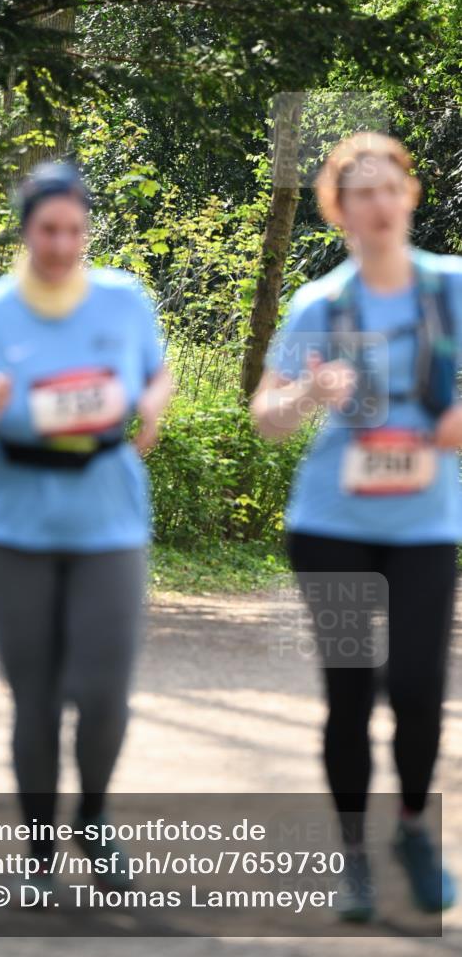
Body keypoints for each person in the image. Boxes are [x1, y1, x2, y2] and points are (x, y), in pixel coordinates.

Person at [0, 160, 173, 895]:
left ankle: (92, 818)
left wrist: (153, 405)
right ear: (26, 229)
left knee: (103, 694)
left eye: (74, 230)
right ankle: (39, 853)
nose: (62, 245)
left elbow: (156, 372)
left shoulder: (124, 301)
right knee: (35, 700)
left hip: (109, 526)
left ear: (86, 229)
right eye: (47, 230)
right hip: (13, 533)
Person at [251, 133, 461, 920]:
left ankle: (409, 827)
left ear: (408, 197)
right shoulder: (320, 304)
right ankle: (353, 861)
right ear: (336, 210)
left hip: (422, 521)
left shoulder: (449, 288)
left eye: (388, 189)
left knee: (415, 686)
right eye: (360, 192)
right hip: (330, 522)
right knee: (348, 692)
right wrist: (308, 395)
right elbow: (266, 416)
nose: (377, 204)